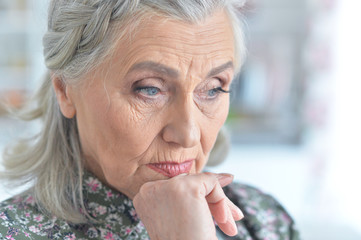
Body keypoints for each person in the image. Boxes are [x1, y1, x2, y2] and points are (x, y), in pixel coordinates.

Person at [0, 0, 300, 239]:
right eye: (149, 89)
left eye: (212, 89)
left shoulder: (262, 221)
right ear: (65, 91)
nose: (188, 135)